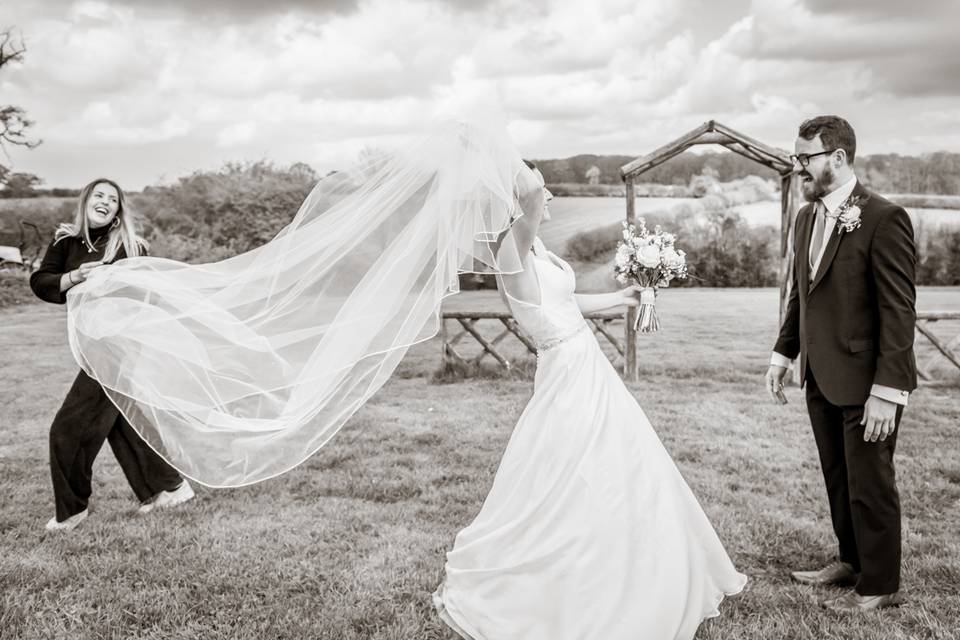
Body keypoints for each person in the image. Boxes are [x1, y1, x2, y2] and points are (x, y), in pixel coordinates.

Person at [431, 161, 747, 639]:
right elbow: (533, 202)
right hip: (565, 370)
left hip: (587, 362)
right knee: (575, 469)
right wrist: (510, 163)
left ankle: (624, 555)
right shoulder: (510, 251)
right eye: (542, 191)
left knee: (619, 460)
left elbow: (563, 304)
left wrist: (622, 298)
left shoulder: (534, 249)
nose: (550, 197)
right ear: (517, 201)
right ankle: (575, 571)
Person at [765, 116, 917, 612]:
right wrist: (783, 354)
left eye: (804, 158)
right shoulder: (805, 218)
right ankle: (851, 561)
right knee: (839, 477)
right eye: (796, 157)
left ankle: (880, 584)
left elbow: (898, 311)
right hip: (819, 377)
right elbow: (800, 296)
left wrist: (888, 391)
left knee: (871, 483)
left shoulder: (883, 218)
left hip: (867, 383)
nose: (798, 167)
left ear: (838, 157)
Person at [30, 178, 194, 532]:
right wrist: (74, 276)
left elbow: (144, 297)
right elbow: (42, 282)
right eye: (99, 195)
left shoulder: (131, 246)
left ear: (119, 211)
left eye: (113, 199)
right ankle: (169, 488)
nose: (105, 201)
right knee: (119, 420)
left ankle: (72, 510)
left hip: (120, 346)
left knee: (68, 428)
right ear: (86, 200)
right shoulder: (65, 241)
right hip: (91, 344)